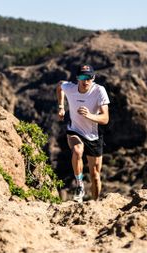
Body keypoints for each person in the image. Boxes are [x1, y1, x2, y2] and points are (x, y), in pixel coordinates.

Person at [56, 64, 110, 203]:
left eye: (88, 77)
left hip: (94, 135)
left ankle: (95, 203)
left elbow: (105, 118)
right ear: (77, 78)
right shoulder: (71, 88)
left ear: (93, 78)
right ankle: (79, 185)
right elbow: (60, 85)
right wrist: (61, 106)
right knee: (77, 150)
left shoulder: (99, 91)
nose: (85, 81)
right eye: (81, 77)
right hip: (75, 130)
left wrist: (90, 115)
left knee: (95, 176)